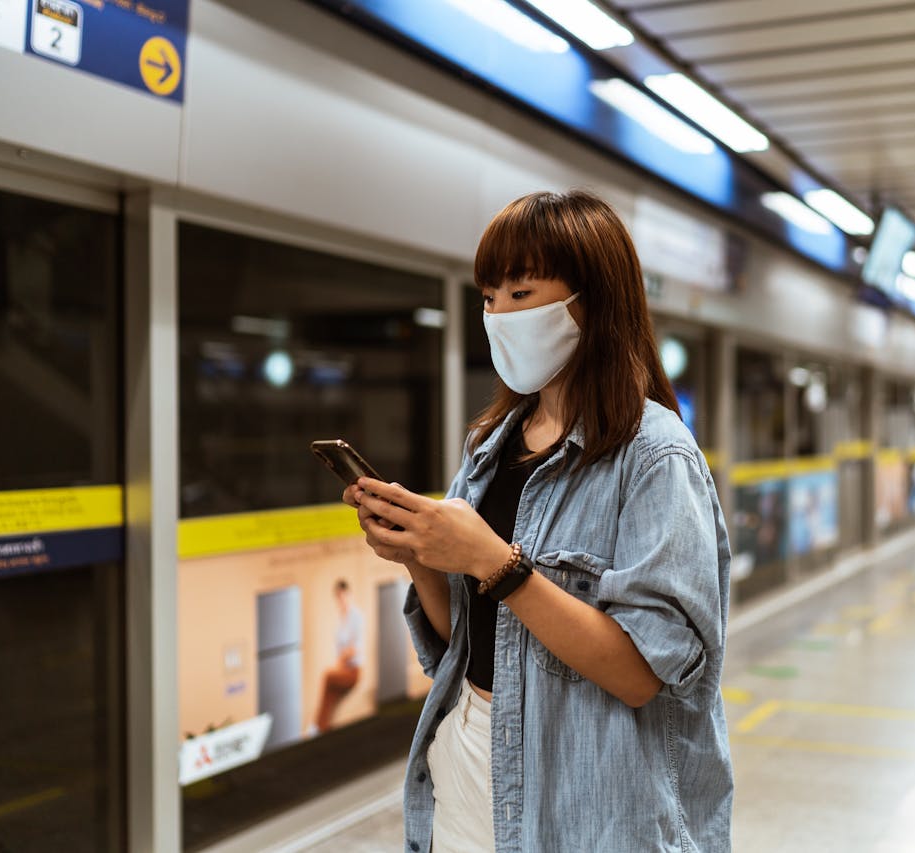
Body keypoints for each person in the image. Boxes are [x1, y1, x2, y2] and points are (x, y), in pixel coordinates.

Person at [342, 190, 733, 852]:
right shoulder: (491, 445)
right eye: (488, 297)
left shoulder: (654, 455)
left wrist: (494, 561)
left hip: (590, 790)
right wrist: (418, 551)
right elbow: (463, 638)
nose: (497, 315)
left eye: (520, 294)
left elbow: (641, 673)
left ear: (592, 300)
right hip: (469, 754)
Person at [314, 578, 364, 733]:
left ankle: (318, 727)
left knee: (328, 676)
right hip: (343, 667)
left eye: (343, 595)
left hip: (352, 670)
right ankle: (322, 728)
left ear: (348, 594)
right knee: (330, 695)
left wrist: (339, 664)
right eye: (338, 596)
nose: (341, 600)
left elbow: (353, 649)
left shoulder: (356, 616)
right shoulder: (342, 618)